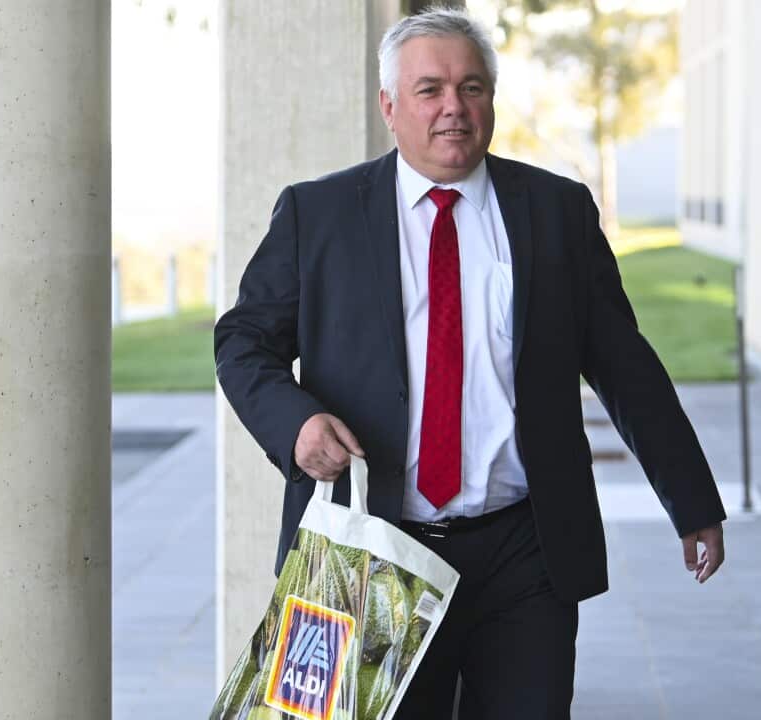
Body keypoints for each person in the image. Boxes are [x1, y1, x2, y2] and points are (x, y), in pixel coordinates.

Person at [214, 7, 726, 719]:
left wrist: (691, 498)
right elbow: (243, 341)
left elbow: (623, 364)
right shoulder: (318, 214)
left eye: (472, 87)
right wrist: (296, 425)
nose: (453, 107)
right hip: (376, 552)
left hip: (525, 551)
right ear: (389, 106)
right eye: (430, 90)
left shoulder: (557, 212)